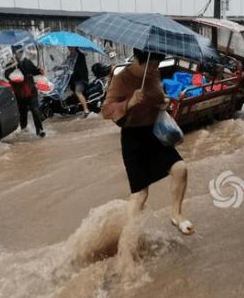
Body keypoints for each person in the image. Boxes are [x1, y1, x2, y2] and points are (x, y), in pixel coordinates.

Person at [101, 48, 194, 235]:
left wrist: (163, 102)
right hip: (133, 139)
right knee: (140, 194)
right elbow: (106, 111)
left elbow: (157, 96)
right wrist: (129, 103)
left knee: (180, 168)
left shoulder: (154, 74)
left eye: (157, 64)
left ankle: (176, 214)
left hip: (155, 134)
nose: (154, 68)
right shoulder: (121, 79)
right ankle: (129, 239)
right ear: (140, 59)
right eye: (151, 64)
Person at [4, 44, 46, 137]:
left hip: (31, 91)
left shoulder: (27, 62)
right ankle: (24, 130)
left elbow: (35, 71)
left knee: (35, 110)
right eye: (18, 52)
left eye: (21, 52)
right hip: (20, 94)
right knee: (23, 114)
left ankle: (40, 131)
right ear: (13, 53)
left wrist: (40, 71)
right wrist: (13, 70)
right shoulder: (10, 64)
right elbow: (6, 74)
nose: (20, 54)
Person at [67, 47, 91, 118]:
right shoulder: (71, 56)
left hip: (81, 79)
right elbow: (65, 64)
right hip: (74, 78)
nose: (69, 48)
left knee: (78, 92)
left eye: (70, 46)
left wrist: (72, 72)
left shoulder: (80, 56)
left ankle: (86, 110)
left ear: (74, 46)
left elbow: (80, 69)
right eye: (68, 46)